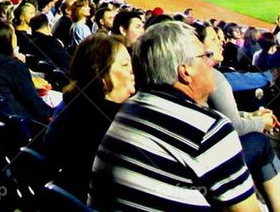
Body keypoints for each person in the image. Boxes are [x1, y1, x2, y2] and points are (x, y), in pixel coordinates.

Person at [89, 20, 261, 211]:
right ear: (185, 73)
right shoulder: (208, 128)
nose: (210, 64)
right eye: (205, 57)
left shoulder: (129, 108)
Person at [196, 23, 280, 212]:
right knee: (259, 142)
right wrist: (262, 122)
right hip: (206, 169)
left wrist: (250, 115)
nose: (220, 41)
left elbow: (217, 116)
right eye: (213, 39)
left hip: (199, 166)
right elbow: (234, 127)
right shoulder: (213, 76)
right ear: (198, 47)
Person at [42, 34, 135, 201]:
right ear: (101, 75)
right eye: (125, 64)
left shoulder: (73, 102)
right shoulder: (108, 125)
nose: (132, 69)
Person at [0, 19, 51, 124]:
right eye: (13, 33)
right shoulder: (13, 66)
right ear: (7, 39)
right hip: (23, 125)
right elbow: (37, 105)